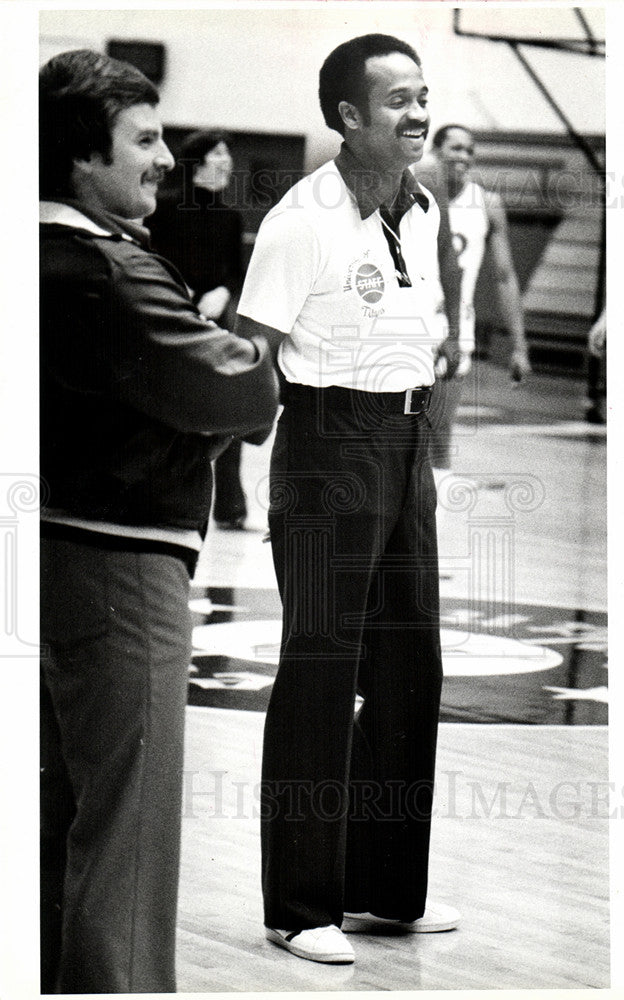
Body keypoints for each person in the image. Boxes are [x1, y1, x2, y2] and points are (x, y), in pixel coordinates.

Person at [39, 50, 277, 994]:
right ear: (78, 160)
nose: (168, 157)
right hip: (120, 566)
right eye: (144, 139)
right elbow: (238, 389)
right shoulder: (107, 270)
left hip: (49, 556)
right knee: (130, 827)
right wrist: (254, 360)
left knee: (60, 812)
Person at [236, 33, 461, 965]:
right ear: (347, 118)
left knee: (412, 669)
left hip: (405, 445)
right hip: (330, 444)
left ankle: (380, 888)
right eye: (398, 100)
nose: (418, 115)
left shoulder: (424, 203)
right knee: (322, 671)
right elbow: (250, 353)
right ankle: (300, 905)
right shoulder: (301, 221)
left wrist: (426, 450)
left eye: (423, 97)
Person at [149, 130, 251, 529]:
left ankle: (230, 504)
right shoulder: (165, 207)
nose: (226, 161)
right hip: (172, 313)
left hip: (216, 316)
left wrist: (223, 292)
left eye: (228, 153)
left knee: (229, 404)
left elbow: (232, 269)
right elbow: (152, 258)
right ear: (198, 162)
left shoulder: (230, 216)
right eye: (218, 153)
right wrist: (182, 289)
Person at [417, 123, 532, 470]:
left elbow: (504, 276)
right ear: (435, 152)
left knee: (438, 433)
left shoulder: (487, 203)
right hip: (405, 324)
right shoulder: (410, 191)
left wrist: (519, 346)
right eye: (456, 148)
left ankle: (427, 517)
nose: (464, 156)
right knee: (391, 434)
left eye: (470, 150)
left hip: (454, 331)